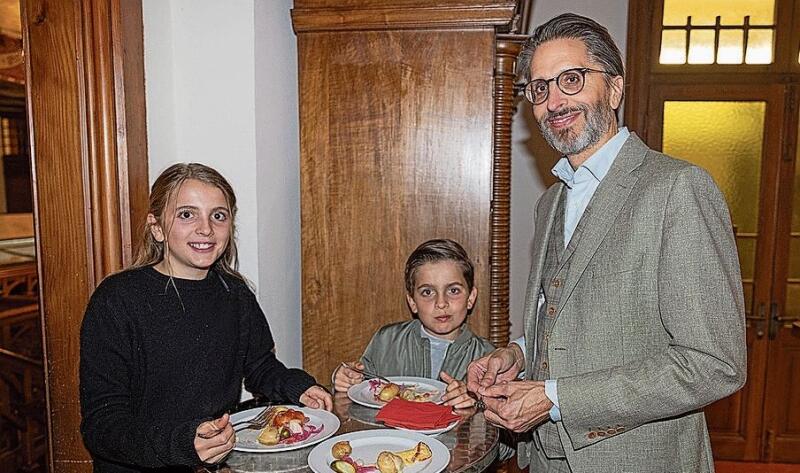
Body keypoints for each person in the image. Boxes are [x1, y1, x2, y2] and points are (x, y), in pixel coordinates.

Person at [466, 13, 747, 473]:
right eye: (540, 88)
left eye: (571, 80)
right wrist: (517, 353)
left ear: (614, 89)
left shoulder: (677, 188)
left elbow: (715, 362)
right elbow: (571, 319)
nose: (553, 100)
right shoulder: (551, 201)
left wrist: (554, 398)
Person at [79, 163, 332, 473]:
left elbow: (259, 367)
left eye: (218, 215)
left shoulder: (235, 293)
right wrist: (183, 443)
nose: (206, 228)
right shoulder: (117, 299)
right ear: (157, 227)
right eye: (187, 214)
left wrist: (298, 388)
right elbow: (102, 424)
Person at [333, 238, 495, 409]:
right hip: (395, 434)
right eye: (427, 292)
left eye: (453, 291)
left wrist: (476, 402)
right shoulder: (387, 340)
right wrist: (346, 378)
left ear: (470, 298)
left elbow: (501, 410)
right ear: (412, 302)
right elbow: (361, 388)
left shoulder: (487, 357)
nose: (441, 303)